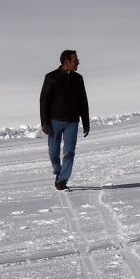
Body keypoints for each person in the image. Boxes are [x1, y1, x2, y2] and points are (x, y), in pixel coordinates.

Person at [39, 50, 89, 190]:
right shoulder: (51, 77)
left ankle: (62, 180)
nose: (77, 63)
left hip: (72, 121)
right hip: (54, 121)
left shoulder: (78, 79)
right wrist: (44, 122)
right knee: (54, 152)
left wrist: (86, 121)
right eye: (75, 61)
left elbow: (83, 101)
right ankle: (58, 170)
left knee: (69, 152)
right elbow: (44, 100)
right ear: (66, 61)